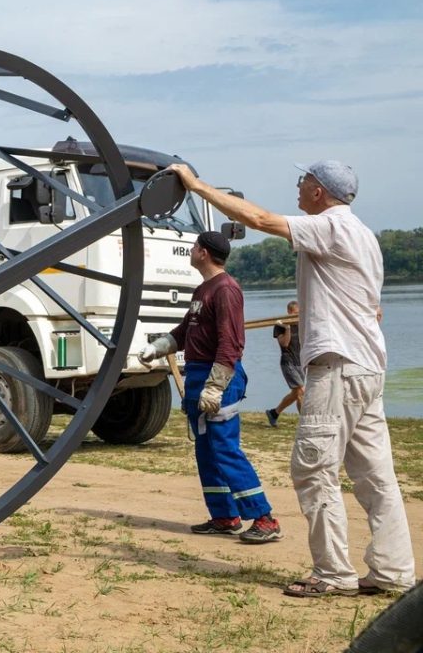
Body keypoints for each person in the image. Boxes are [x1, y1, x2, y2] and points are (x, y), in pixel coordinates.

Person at [167, 159, 415, 598]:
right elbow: (371, 305)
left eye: (304, 181)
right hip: (368, 366)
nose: (297, 186)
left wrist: (195, 185)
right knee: (376, 477)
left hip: (336, 367)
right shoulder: (365, 235)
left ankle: (333, 574)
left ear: (319, 191)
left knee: (313, 468)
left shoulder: (331, 226)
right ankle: (393, 571)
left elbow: (260, 219)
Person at [139, 231, 282, 544]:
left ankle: (264, 518)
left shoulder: (226, 289)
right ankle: (225, 516)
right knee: (206, 451)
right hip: (198, 375)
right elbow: (185, 331)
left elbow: (231, 343)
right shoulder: (203, 289)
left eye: (194, 247)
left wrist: (215, 386)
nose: (191, 250)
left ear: (203, 252)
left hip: (218, 376)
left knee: (224, 449)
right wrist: (159, 347)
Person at [266, 300, 304, 427]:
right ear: (288, 312)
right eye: (294, 313)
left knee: (296, 393)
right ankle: (304, 422)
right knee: (301, 391)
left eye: (298, 313)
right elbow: (285, 344)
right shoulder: (280, 326)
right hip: (288, 362)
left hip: (300, 362)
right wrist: (287, 328)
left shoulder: (302, 324)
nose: (296, 316)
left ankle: (274, 413)